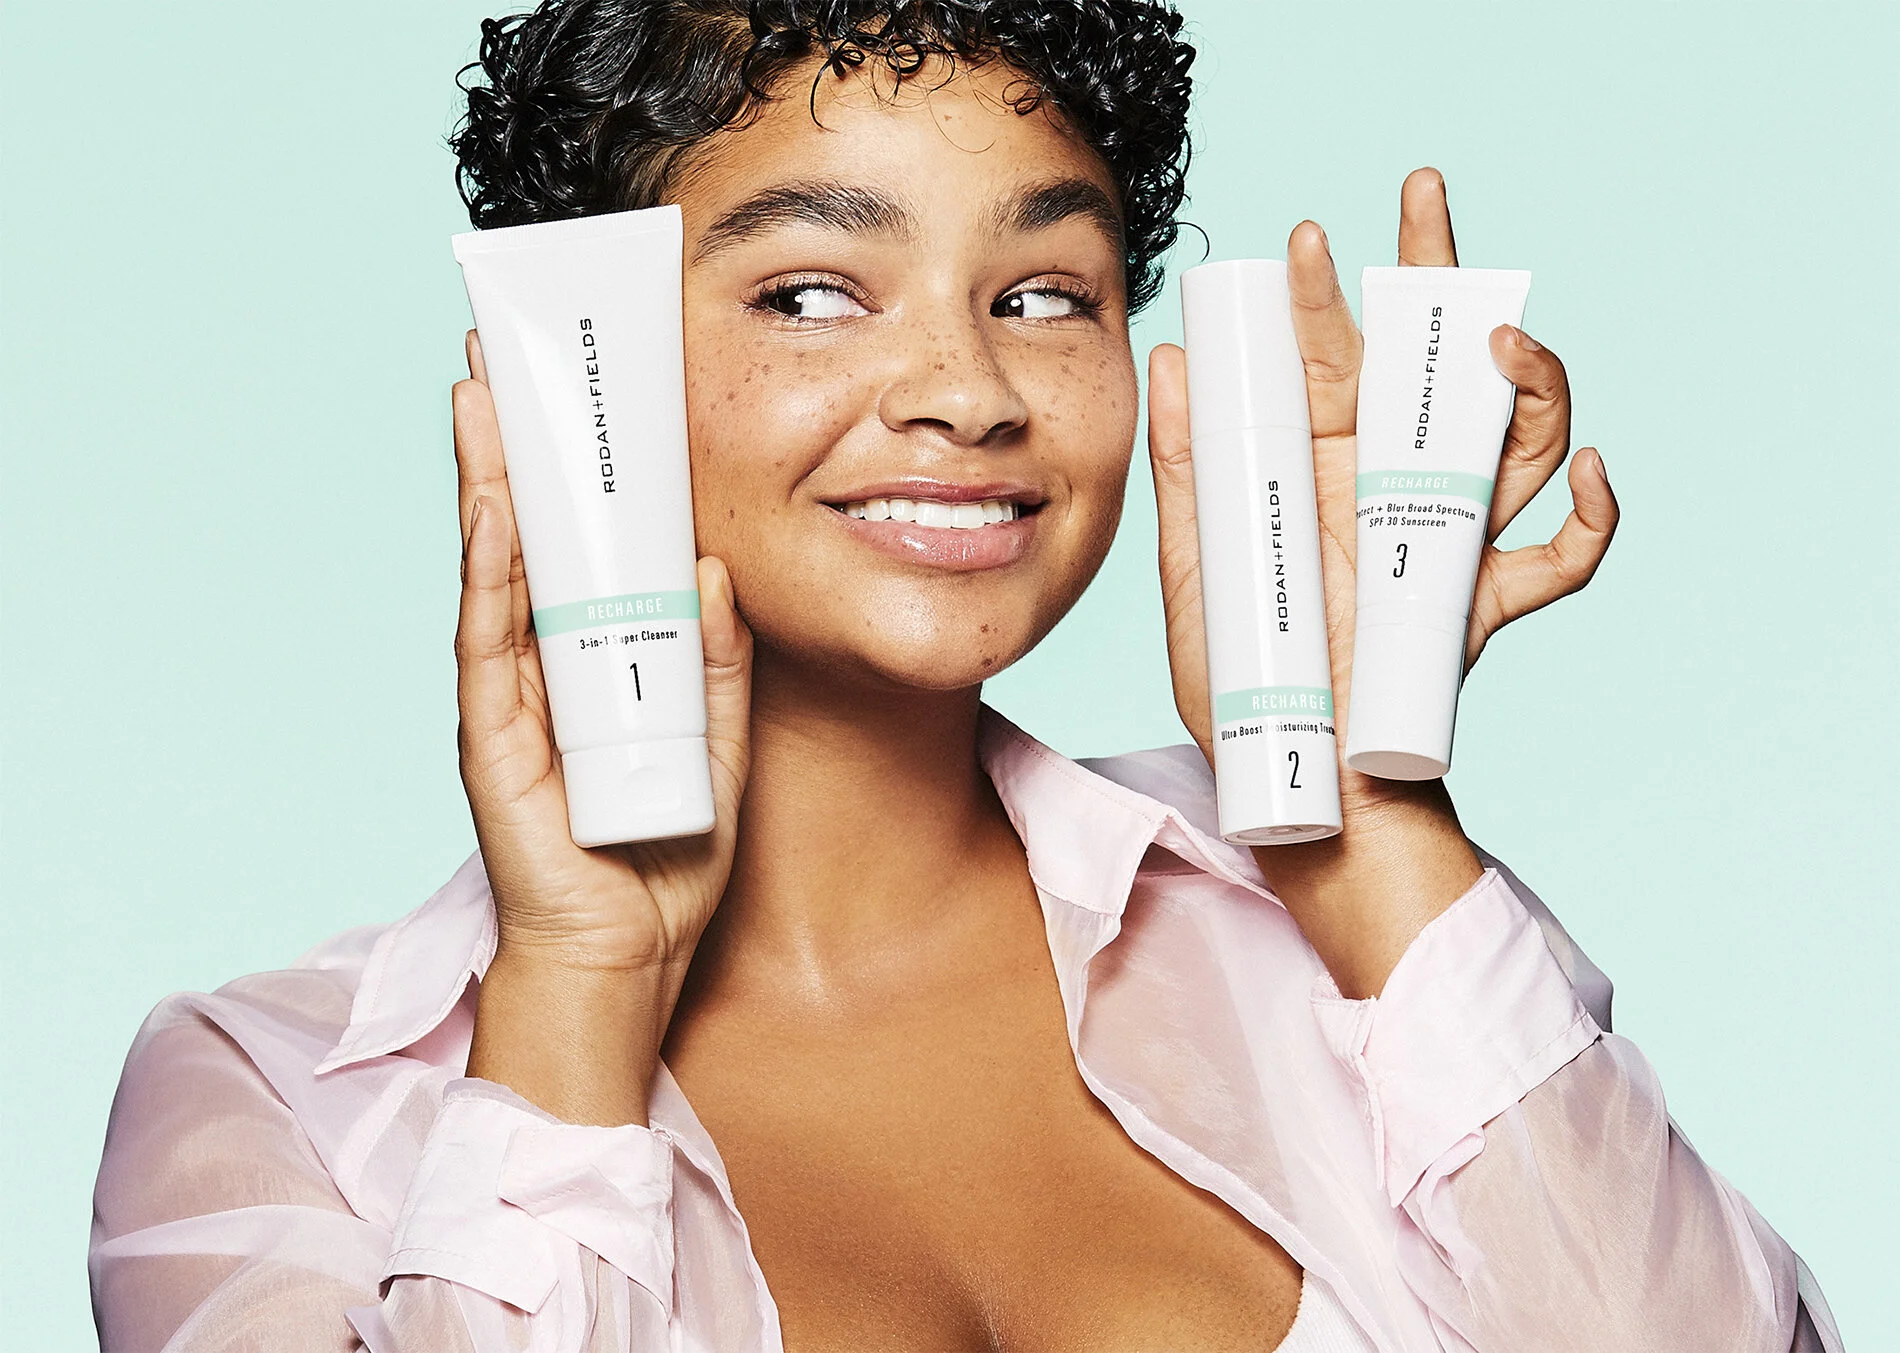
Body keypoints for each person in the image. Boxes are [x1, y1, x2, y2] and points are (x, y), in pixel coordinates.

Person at [89, 2, 1843, 1349]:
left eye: (1043, 292)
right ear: (575, 355)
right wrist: (577, 991)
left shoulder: (1352, 939)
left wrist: (1367, 827)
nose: (968, 390)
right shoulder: (279, 1102)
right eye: (810, 293)